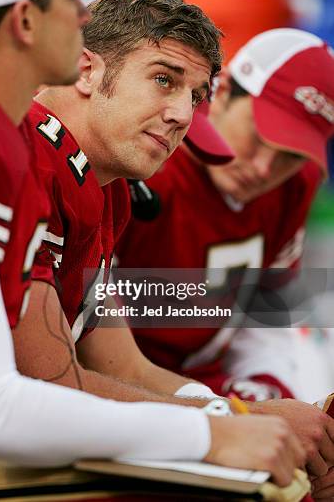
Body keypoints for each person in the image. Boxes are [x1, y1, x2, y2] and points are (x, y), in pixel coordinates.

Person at [0, 0, 303, 482]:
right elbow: (1, 406)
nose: (83, 16)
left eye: (195, 95)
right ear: (26, 19)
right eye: (71, 0)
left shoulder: (87, 173)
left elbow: (109, 362)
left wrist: (227, 414)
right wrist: (217, 427)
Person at [10, 0, 306, 484]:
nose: (183, 115)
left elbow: (124, 366)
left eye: (194, 96)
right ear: (87, 69)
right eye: (163, 80)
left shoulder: (109, 187)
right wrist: (230, 425)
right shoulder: (25, 156)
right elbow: (50, 383)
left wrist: (238, 414)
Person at [117, 27, 334, 476]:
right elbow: (85, 352)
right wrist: (236, 417)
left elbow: (266, 313)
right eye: (260, 136)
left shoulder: (295, 185)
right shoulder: (140, 160)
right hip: (117, 389)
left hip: (208, 382)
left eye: (290, 155)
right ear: (224, 89)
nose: (263, 168)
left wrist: (266, 398)